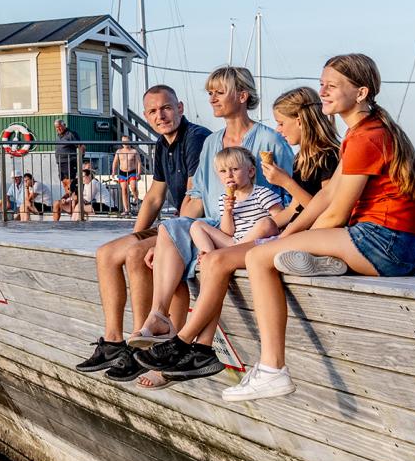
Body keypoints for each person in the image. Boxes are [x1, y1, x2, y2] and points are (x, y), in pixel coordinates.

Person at [223, 54, 415, 401]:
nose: (323, 93)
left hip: (384, 243)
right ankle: (325, 262)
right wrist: (287, 235)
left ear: (361, 92)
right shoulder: (364, 129)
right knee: (276, 247)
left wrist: (282, 243)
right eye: (322, 85)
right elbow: (327, 192)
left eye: (332, 86)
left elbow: (336, 213)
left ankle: (272, 369)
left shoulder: (366, 136)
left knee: (259, 259)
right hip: (395, 244)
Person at [134, 87, 341, 386]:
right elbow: (296, 211)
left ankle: (186, 343)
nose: (278, 130)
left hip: (312, 237)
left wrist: (281, 198)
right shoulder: (302, 159)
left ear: (301, 119)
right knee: (209, 257)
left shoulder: (323, 157)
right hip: (290, 235)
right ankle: (194, 347)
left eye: (282, 122)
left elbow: (319, 207)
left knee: (217, 261)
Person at [124, 67, 294, 369]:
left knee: (194, 249)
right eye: (210, 93)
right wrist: (168, 241)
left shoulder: (269, 140)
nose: (212, 99)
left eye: (219, 92)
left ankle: (183, 348)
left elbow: (288, 199)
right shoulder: (212, 142)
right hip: (218, 226)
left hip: (255, 227)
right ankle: (158, 316)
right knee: (170, 228)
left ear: (242, 96)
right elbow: (199, 196)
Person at [76, 84, 210, 378]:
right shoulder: (163, 144)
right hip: (176, 222)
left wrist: (160, 243)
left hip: (198, 224)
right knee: (108, 253)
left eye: (166, 108)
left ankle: (141, 345)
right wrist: (133, 236)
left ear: (180, 108)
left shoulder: (195, 139)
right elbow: (153, 197)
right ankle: (113, 342)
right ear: (147, 117)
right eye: (153, 111)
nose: (160, 115)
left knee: (138, 253)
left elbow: (195, 198)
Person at [188, 147, 280, 253]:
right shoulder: (224, 198)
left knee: (266, 223)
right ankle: (209, 254)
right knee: (196, 226)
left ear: (250, 172)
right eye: (223, 171)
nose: (228, 175)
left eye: (235, 169)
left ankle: (226, 254)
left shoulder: (262, 193)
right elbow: (228, 233)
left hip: (257, 243)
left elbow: (280, 219)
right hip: (234, 243)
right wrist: (228, 211)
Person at [112, 134, 143, 211]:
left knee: (133, 187)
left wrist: (139, 173)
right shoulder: (119, 151)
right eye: (123, 141)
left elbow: (139, 163)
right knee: (124, 190)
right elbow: (115, 162)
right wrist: (113, 171)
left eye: (126, 141)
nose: (125, 143)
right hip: (122, 172)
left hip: (132, 172)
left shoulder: (134, 151)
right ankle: (126, 209)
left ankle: (136, 198)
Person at [54, 119, 82, 195]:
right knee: (63, 181)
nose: (58, 129)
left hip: (69, 162)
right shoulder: (58, 135)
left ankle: (73, 199)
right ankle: (68, 198)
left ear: (64, 125)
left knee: (70, 182)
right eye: (56, 127)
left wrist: (80, 159)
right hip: (61, 162)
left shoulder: (71, 134)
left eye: (60, 126)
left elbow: (81, 146)